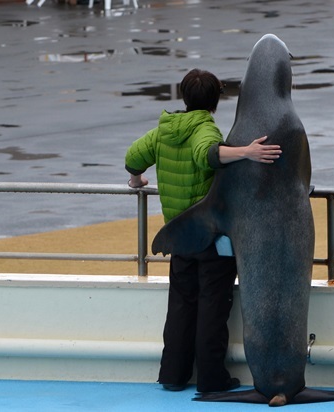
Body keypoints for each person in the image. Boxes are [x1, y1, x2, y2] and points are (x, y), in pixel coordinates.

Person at [124, 68, 281, 393]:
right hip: (210, 236)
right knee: (213, 302)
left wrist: (137, 180)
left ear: (184, 95)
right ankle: (211, 378)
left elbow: (132, 157)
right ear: (215, 100)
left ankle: (173, 374)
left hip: (179, 234)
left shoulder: (165, 129)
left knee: (181, 304)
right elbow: (208, 154)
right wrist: (247, 152)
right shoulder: (204, 128)